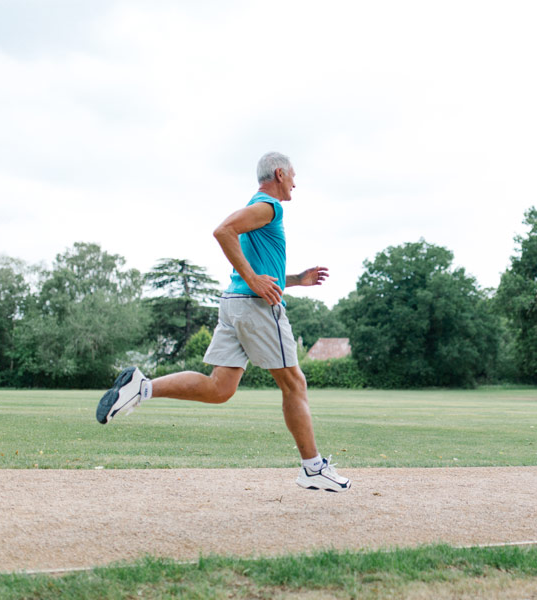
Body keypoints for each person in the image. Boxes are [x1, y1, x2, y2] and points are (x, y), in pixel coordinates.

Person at [96, 151, 350, 492]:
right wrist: (256, 280)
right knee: (295, 384)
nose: (295, 183)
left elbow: (260, 268)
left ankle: (141, 387)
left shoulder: (258, 208)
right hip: (255, 306)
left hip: (234, 303)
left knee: (220, 388)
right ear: (279, 173)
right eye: (292, 176)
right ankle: (313, 468)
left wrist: (294, 279)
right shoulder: (270, 206)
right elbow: (223, 231)